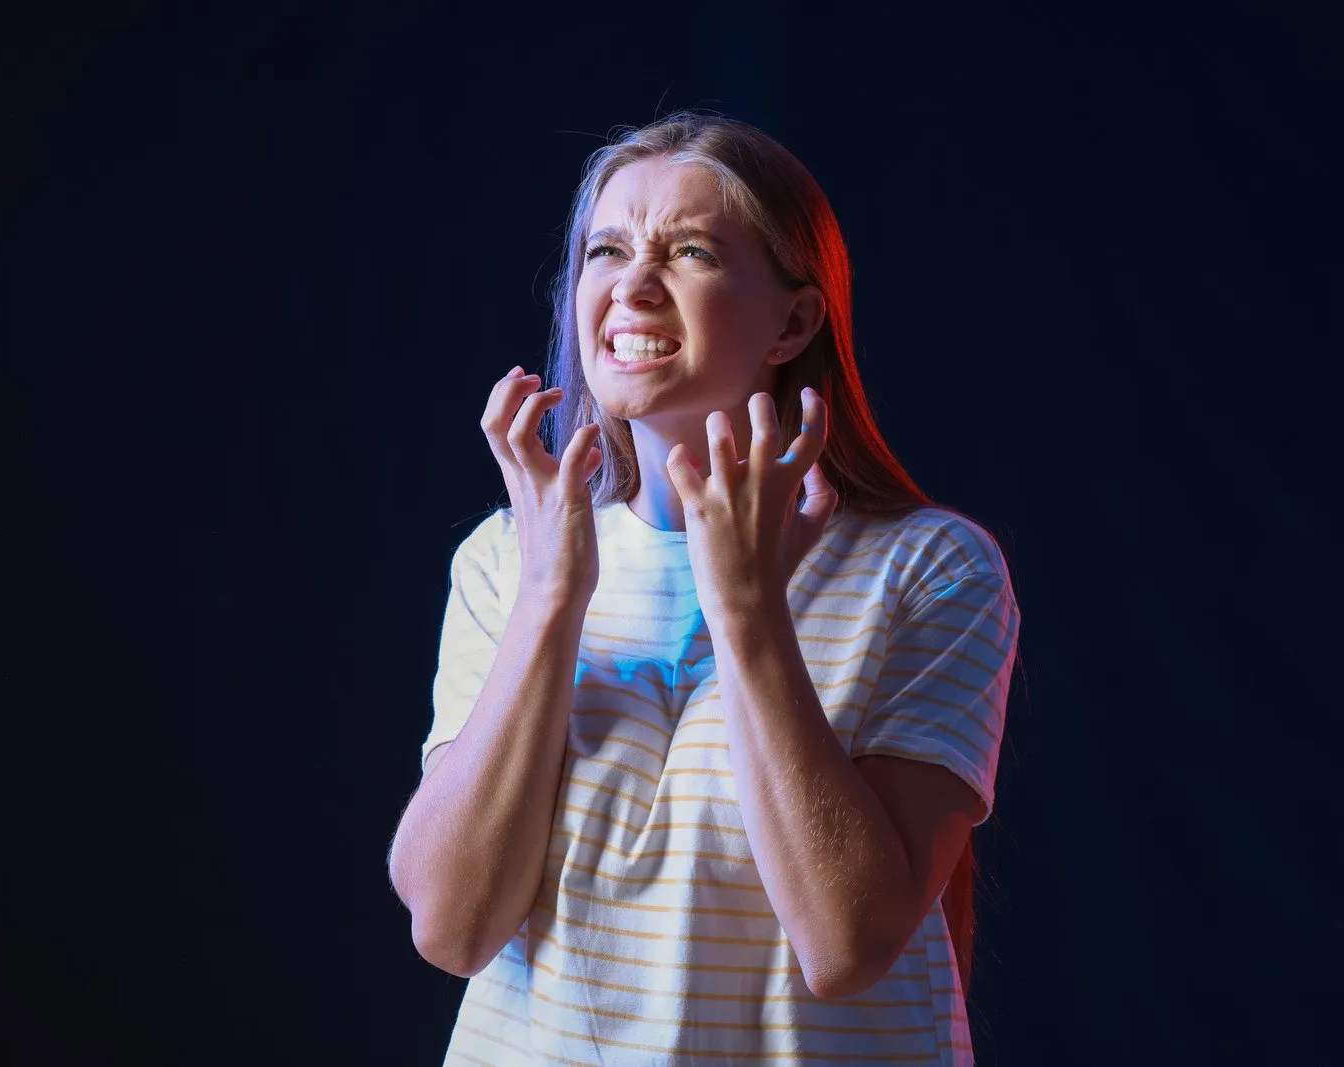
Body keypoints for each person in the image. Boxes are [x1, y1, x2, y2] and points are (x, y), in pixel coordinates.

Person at [388, 110, 1022, 1065]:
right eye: (606, 250)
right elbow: (450, 925)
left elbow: (847, 943)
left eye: (688, 251)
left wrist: (748, 610)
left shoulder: (930, 568)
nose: (633, 285)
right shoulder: (506, 560)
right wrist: (550, 599)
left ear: (795, 322)